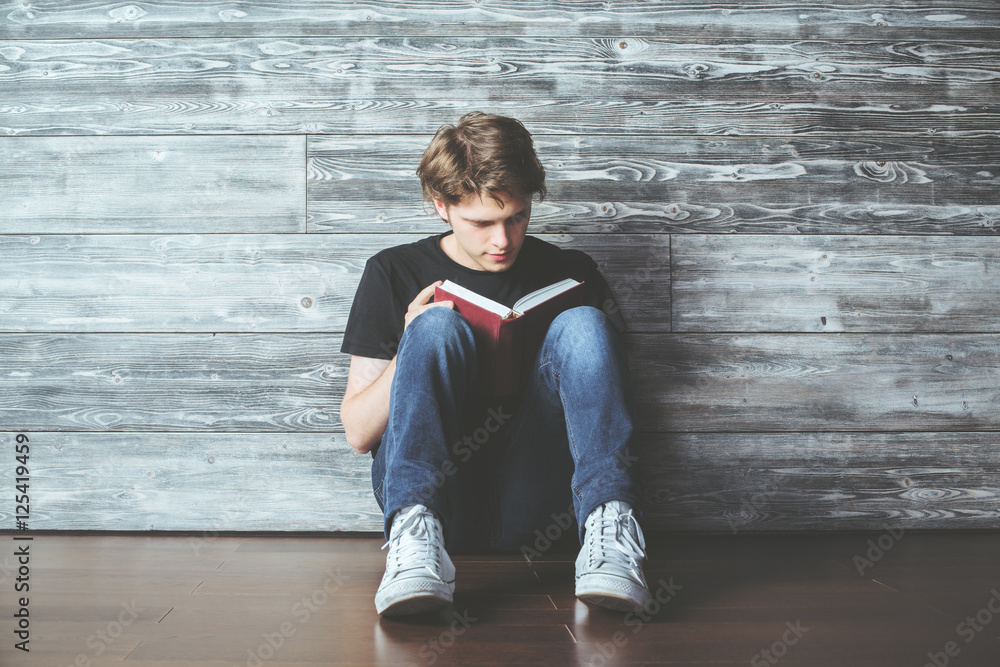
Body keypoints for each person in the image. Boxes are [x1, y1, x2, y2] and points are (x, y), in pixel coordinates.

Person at [339, 112, 651, 616]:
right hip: (440, 494)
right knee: (435, 326)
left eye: (517, 217)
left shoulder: (570, 271)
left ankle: (611, 533)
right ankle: (416, 543)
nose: (502, 241)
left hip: (540, 501)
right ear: (441, 206)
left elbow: (609, 410)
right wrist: (411, 338)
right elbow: (357, 433)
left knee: (585, 324)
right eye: (480, 223)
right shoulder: (394, 271)